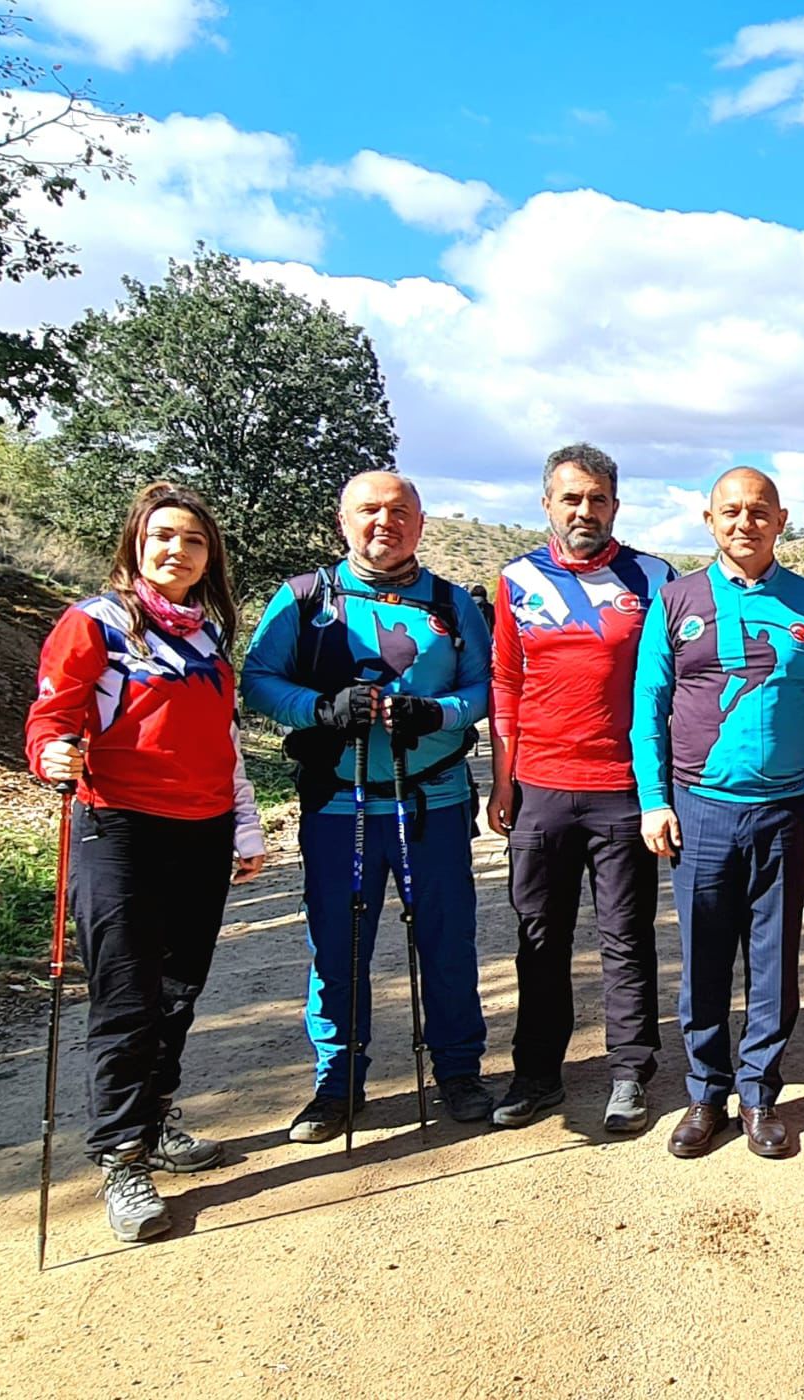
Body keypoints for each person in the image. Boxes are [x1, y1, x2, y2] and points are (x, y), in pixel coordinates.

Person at [25, 482, 265, 1243]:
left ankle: (157, 1121)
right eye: (163, 536)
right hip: (118, 829)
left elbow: (224, 746)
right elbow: (51, 717)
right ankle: (121, 1156)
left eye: (193, 541)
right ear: (136, 543)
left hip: (202, 830)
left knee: (178, 989)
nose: (177, 550)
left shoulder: (205, 637)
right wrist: (50, 753)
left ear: (209, 558)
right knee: (125, 999)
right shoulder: (92, 623)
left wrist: (247, 826)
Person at [241, 470, 494, 1142]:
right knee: (338, 947)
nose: (385, 522)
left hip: (431, 803)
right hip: (337, 805)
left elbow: (483, 690)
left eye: (400, 511)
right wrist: (319, 710)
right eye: (369, 511)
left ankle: (459, 1070)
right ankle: (337, 1084)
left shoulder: (448, 602)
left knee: (447, 943)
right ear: (342, 521)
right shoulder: (303, 599)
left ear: (420, 521)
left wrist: (432, 712)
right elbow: (258, 680)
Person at [632, 467, 804, 1159]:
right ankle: (705, 1093)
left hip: (784, 811)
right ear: (708, 519)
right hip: (700, 810)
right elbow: (648, 712)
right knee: (702, 959)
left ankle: (759, 1095)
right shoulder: (674, 601)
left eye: (759, 512)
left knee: (773, 960)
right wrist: (654, 798)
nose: (744, 523)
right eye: (731, 511)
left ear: (781, 520)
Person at [486, 443, 676, 1134]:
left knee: (626, 937)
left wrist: (664, 787)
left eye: (597, 499)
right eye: (571, 498)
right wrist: (503, 779)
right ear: (547, 505)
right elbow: (505, 683)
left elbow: (672, 686)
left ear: (615, 506)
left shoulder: (652, 577)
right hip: (540, 788)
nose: (584, 511)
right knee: (541, 936)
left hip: (622, 789)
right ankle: (537, 1074)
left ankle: (630, 1073)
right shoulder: (515, 580)